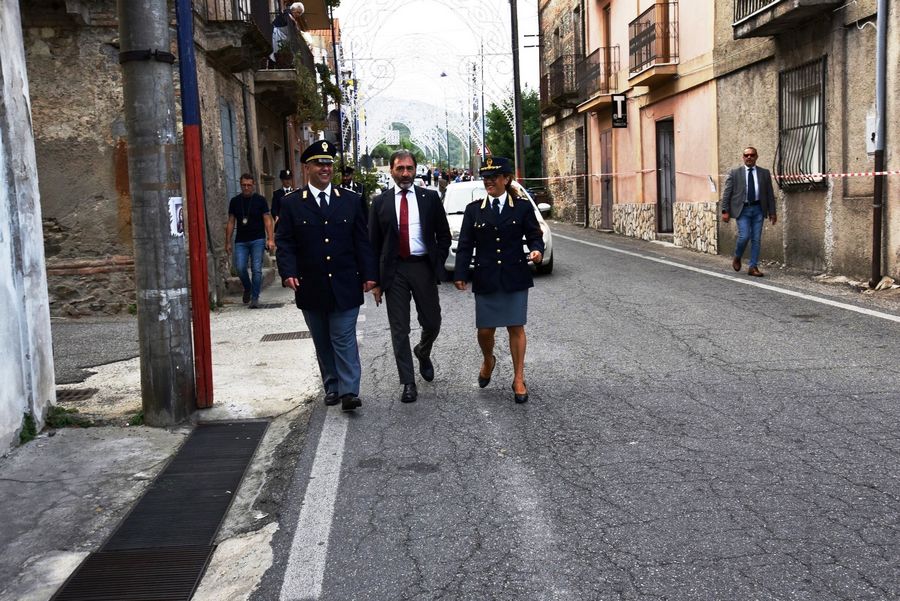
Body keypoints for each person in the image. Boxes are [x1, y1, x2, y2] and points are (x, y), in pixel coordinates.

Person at [275, 140, 378, 412]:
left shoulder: (352, 201)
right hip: (311, 284)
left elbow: (362, 241)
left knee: (343, 337)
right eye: (319, 163)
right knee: (322, 339)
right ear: (307, 167)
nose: (325, 168)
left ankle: (349, 391)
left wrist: (369, 274)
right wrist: (288, 272)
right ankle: (332, 385)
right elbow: (284, 241)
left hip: (345, 282)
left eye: (329, 163)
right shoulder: (292, 204)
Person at [453, 157, 544, 404]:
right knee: (485, 330)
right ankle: (488, 360)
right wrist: (460, 273)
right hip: (487, 276)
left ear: (507, 179)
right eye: (486, 177)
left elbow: (535, 236)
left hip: (515, 275)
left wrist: (537, 251)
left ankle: (518, 378)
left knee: (516, 326)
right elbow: (465, 245)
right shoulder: (474, 210)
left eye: (494, 177)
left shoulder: (522, 207)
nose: (489, 181)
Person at [369, 150, 451, 403]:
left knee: (433, 322)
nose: (405, 173)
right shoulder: (379, 202)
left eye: (409, 168)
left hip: (422, 267)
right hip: (394, 271)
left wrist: (435, 262)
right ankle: (408, 382)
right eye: (399, 169)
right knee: (399, 329)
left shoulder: (430, 198)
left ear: (416, 170)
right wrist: (375, 281)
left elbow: (444, 235)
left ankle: (423, 351)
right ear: (392, 171)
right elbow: (372, 245)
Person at [721, 146, 777, 277]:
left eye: (752, 155)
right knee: (744, 236)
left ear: (756, 157)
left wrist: (772, 212)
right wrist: (725, 210)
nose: (749, 157)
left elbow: (769, 193)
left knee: (756, 239)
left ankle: (753, 267)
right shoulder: (735, 173)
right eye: (746, 155)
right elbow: (727, 194)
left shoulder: (764, 173)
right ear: (743, 157)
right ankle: (737, 256)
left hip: (758, 209)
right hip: (743, 209)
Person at [225, 174, 274, 308]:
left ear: (253, 186)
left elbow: (267, 220)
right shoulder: (235, 201)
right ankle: (248, 287)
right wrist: (228, 242)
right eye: (244, 185)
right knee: (240, 268)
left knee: (256, 269)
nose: (246, 187)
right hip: (241, 240)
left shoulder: (260, 200)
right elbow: (230, 222)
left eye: (249, 185)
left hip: (258, 239)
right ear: (240, 185)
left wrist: (270, 239)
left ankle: (255, 298)